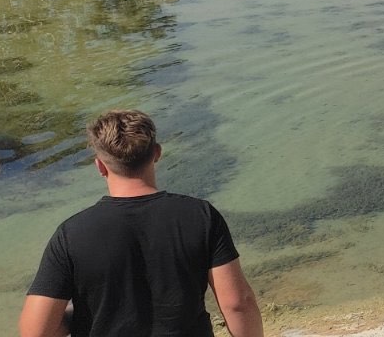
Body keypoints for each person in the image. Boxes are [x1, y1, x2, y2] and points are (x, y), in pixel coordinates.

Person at [20, 110, 264, 337]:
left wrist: (80, 315)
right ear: (157, 153)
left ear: (100, 166)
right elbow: (237, 304)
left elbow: (36, 332)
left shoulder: (71, 235)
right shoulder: (201, 216)